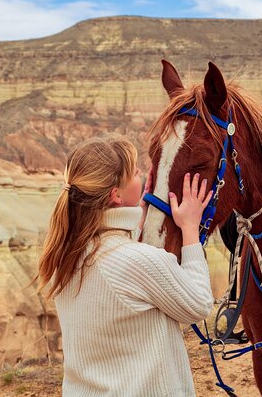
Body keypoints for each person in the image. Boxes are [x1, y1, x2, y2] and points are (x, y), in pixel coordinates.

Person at [36, 134, 214, 396]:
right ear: (115, 195)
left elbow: (113, 266)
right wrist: (189, 228)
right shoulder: (138, 261)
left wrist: (135, 217)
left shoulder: (65, 257)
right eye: (133, 172)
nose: (140, 173)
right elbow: (198, 303)